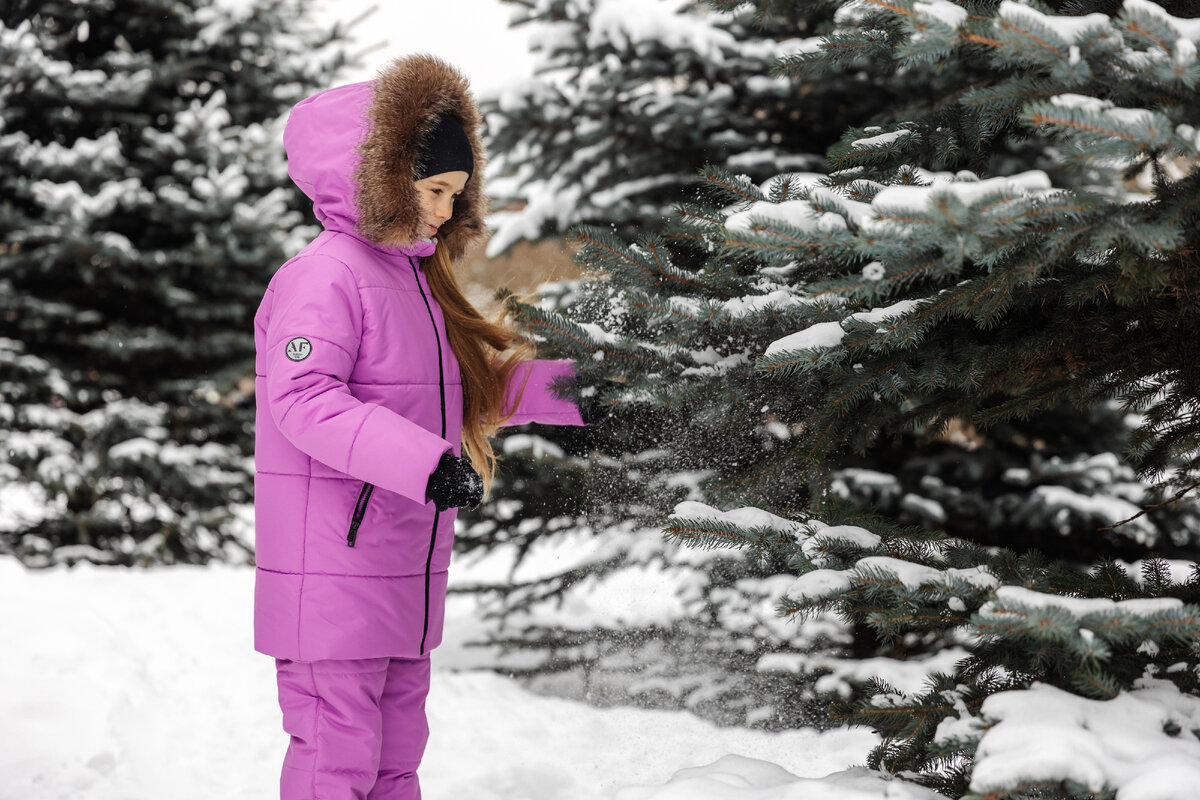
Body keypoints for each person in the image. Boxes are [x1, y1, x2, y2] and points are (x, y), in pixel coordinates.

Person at [252, 54, 584, 800]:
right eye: (434, 189)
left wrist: (579, 394)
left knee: (396, 761)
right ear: (380, 176)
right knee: (336, 757)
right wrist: (426, 464)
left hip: (402, 568)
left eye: (455, 195)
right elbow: (304, 398)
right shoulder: (325, 275)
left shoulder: (412, 278)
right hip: (332, 569)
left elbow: (461, 389)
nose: (442, 209)